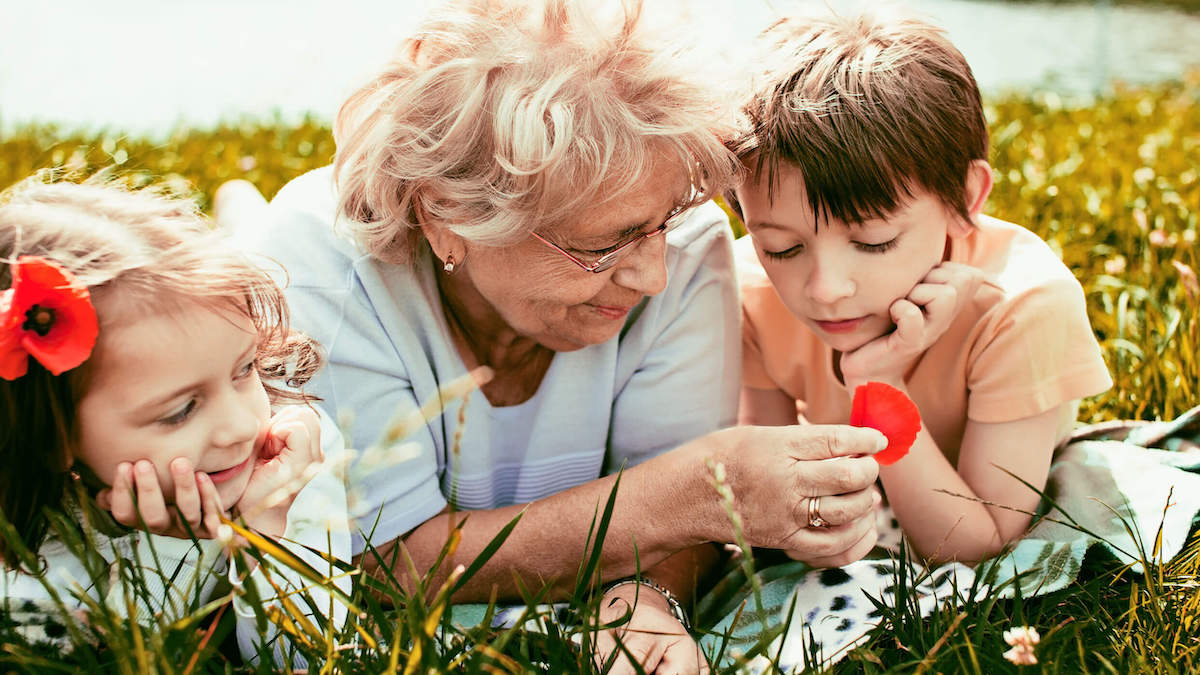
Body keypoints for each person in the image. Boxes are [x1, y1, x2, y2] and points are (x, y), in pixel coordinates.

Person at [226, 0, 888, 670]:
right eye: (604, 244)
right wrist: (699, 487)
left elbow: (683, 534)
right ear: (445, 217)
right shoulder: (326, 276)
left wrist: (642, 597)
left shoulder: (687, 247)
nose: (654, 275)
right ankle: (236, 214)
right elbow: (381, 560)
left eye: (662, 221)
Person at [729, 8, 1113, 564]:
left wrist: (878, 381)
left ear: (966, 199)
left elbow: (973, 545)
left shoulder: (1023, 307)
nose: (826, 289)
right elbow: (766, 513)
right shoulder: (748, 290)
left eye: (875, 241)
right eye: (782, 248)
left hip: (971, 502)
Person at [0, 178, 350, 664]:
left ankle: (242, 210)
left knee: (251, 242)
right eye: (180, 410)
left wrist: (266, 533)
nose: (240, 427)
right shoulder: (29, 543)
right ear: (51, 435)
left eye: (243, 368)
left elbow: (309, 661)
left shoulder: (284, 455)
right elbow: (117, 659)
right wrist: (167, 554)